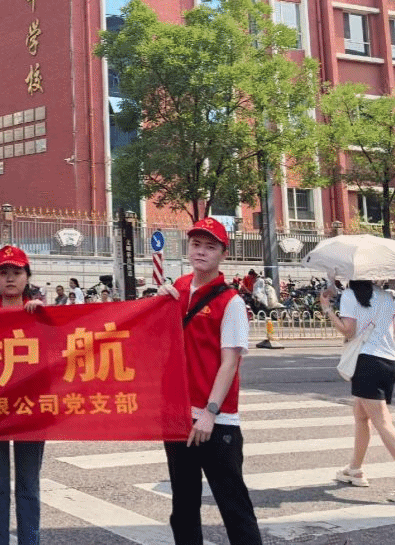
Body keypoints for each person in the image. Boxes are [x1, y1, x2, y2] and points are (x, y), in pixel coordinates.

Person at [158, 217, 262, 545]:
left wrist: (210, 412)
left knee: (234, 505)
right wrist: (159, 302)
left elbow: (230, 363)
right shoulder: (177, 288)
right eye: (196, 244)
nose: (201, 252)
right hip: (178, 417)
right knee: (183, 505)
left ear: (222, 254)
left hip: (217, 420)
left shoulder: (230, 302)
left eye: (210, 246)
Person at [320, 278, 395, 505]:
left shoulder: (350, 295)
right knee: (361, 415)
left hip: (367, 361)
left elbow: (348, 331)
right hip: (389, 361)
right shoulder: (387, 296)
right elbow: (394, 329)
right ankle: (355, 469)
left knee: (382, 422)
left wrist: (327, 310)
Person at [0, 245, 46, 545]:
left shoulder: (41, 315)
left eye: (17, 272)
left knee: (29, 486)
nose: (10, 278)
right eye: (3, 272)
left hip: (32, 411)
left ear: (27, 276)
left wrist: (45, 319)